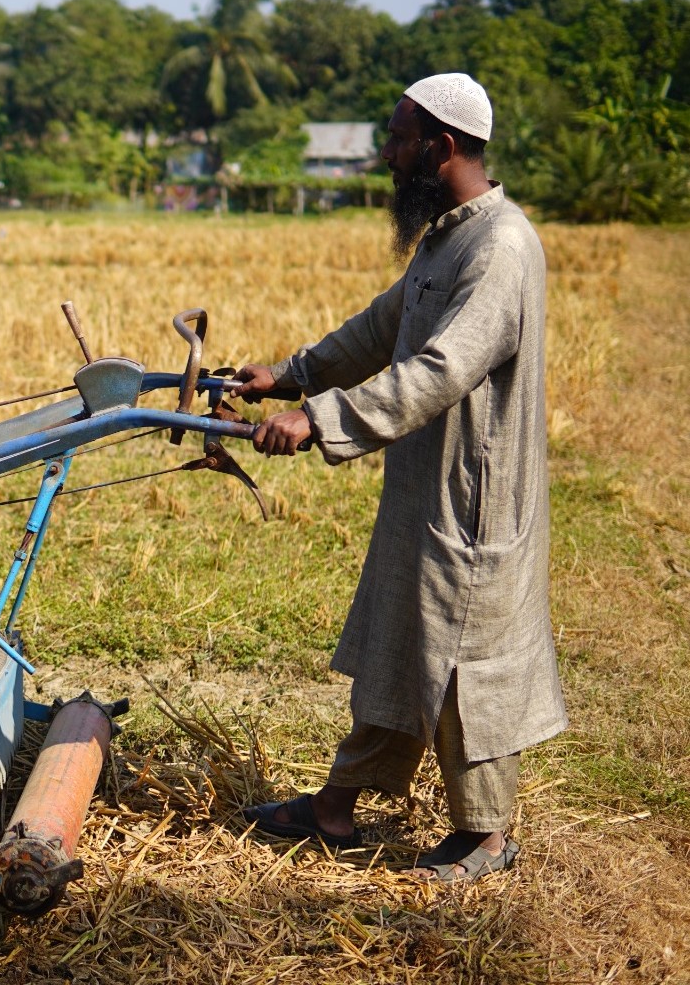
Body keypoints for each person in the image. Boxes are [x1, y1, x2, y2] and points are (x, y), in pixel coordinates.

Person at [234, 73, 566, 882]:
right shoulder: (447, 237)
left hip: (472, 497)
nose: (386, 155)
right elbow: (386, 325)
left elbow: (442, 367)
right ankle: (334, 805)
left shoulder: (500, 247)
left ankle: (486, 834)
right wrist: (291, 375)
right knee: (399, 639)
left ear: (439, 146)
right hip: (423, 483)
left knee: (462, 665)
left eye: (396, 139)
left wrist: (320, 419)